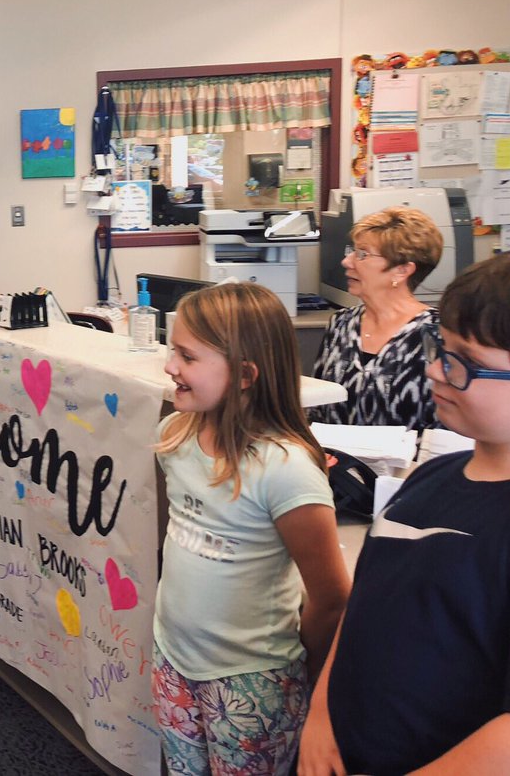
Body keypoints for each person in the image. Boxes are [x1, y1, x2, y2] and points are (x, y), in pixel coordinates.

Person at [300, 254, 510, 776]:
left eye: (462, 361)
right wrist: (322, 712)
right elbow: (363, 607)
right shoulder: (427, 479)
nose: (434, 369)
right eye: (440, 348)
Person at [153, 282, 350, 775]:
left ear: (244, 375)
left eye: (187, 356)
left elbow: (331, 596)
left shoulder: (285, 470)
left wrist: (300, 675)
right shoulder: (174, 436)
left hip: (252, 680)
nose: (170, 366)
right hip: (174, 657)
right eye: (173, 350)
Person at [311, 206, 443, 430]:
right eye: (352, 251)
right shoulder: (341, 324)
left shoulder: (437, 333)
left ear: (402, 270)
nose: (347, 261)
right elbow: (317, 406)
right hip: (331, 452)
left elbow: (444, 427)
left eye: (362, 254)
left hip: (412, 454)